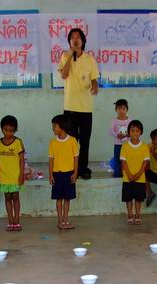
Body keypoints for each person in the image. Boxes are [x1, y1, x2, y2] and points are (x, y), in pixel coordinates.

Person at [58, 28, 99, 180]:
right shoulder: (65, 56)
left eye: (78, 37)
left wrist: (95, 85)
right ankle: (71, 168)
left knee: (85, 141)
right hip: (70, 106)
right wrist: (70, 56)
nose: (75, 40)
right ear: (69, 42)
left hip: (86, 107)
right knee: (71, 141)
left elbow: (94, 77)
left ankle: (83, 169)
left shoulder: (90, 59)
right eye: (72, 38)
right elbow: (64, 75)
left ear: (83, 41)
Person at [0, 115, 25, 231]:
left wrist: (21, 175)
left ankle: (17, 221)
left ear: (15, 130)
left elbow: (22, 160)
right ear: (2, 129)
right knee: (7, 197)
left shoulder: (18, 142)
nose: (8, 133)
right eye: (6, 130)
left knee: (15, 196)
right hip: (4, 176)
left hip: (15, 175)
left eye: (11, 130)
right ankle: (10, 221)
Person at [49, 113, 79, 230]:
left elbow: (76, 158)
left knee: (67, 198)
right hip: (57, 174)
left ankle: (66, 220)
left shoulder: (72, 141)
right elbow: (51, 160)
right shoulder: (53, 142)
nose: (53, 128)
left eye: (54, 126)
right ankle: (60, 221)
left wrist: (75, 173)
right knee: (58, 198)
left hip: (69, 173)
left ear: (62, 126)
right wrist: (51, 174)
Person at [119, 120, 149, 225]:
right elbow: (123, 161)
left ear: (141, 132)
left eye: (137, 131)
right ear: (129, 132)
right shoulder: (125, 146)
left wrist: (139, 174)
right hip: (127, 178)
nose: (135, 133)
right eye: (132, 131)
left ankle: (137, 215)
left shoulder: (144, 146)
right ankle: (130, 215)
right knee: (128, 198)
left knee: (138, 199)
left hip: (140, 178)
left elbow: (145, 162)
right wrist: (129, 175)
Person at [109, 99, 131, 178]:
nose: (121, 111)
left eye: (123, 108)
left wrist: (129, 134)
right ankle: (117, 174)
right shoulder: (114, 121)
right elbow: (111, 131)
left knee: (127, 159)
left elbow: (133, 130)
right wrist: (117, 135)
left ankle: (126, 173)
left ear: (127, 109)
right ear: (116, 110)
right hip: (118, 145)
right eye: (119, 109)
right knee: (117, 159)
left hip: (128, 145)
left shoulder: (130, 120)